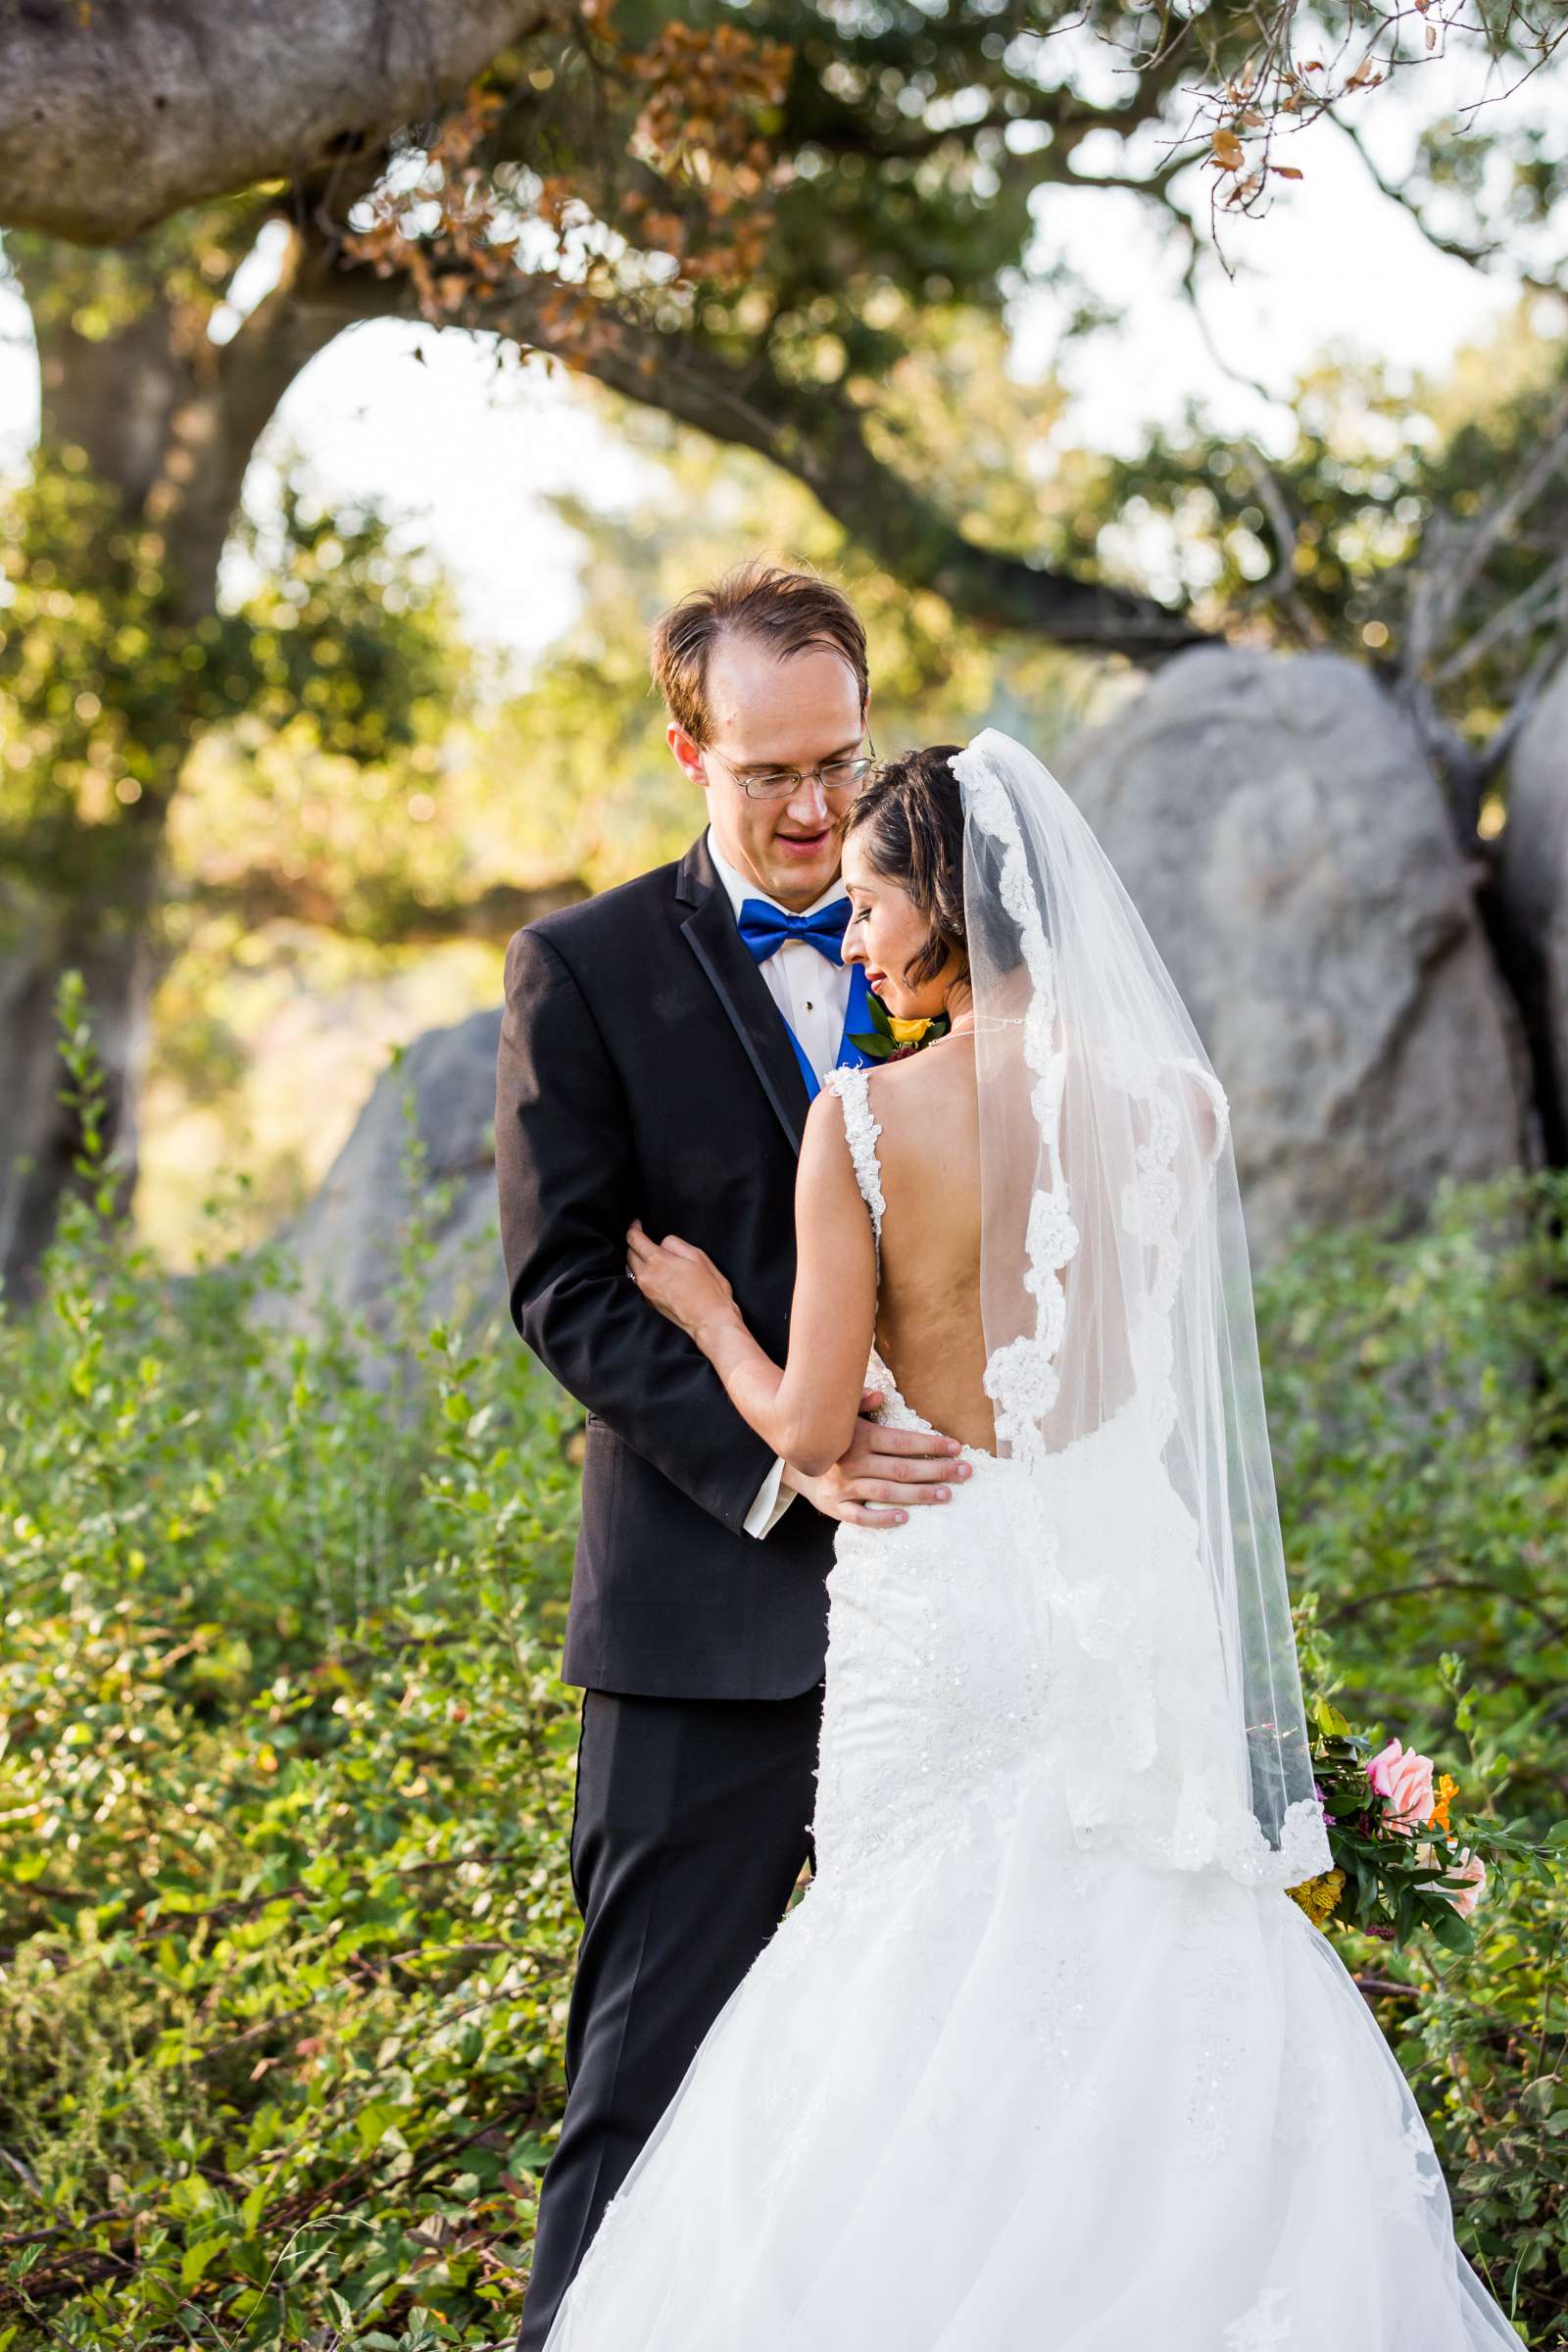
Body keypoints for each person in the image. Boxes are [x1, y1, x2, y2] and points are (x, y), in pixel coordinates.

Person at [537, 732, 1523, 2350]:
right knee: (1160, 1956)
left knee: (900, 1983)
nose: (852, 941)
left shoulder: (859, 1125)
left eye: (867, 903)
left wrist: (716, 1320)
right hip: (1122, 1592)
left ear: (944, 905)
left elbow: (803, 1429)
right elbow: (1159, 1378)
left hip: (946, 1592)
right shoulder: (1180, 1109)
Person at [493, 563, 966, 2351]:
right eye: (769, 770)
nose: (816, 807)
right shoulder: (587, 970)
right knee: (644, 2103)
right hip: (704, 1633)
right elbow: (564, 1290)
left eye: (839, 759)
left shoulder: (961, 945)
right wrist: (792, 1455)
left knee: (917, 2111)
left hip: (953, 1627)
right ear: (687, 744)